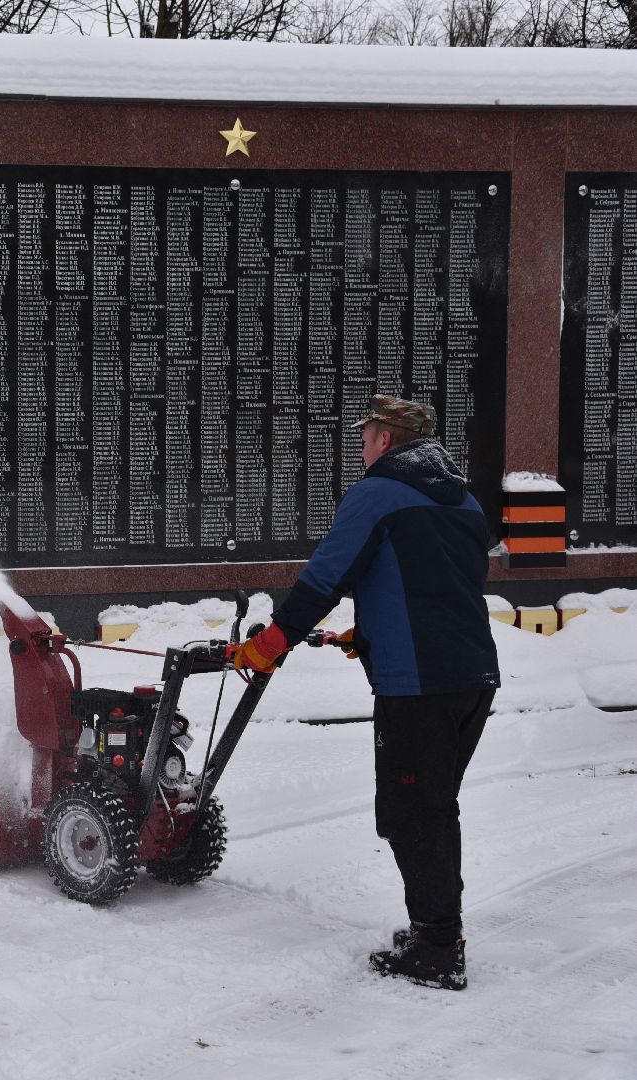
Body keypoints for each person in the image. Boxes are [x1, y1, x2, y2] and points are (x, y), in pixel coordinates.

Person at [233, 393, 499, 991]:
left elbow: (328, 575)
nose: (361, 445)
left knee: (414, 816)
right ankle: (437, 929)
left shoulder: (377, 493)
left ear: (385, 440)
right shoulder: (465, 502)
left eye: (367, 435)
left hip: (418, 686)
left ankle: (436, 950)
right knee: (435, 807)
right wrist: (374, 630)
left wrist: (272, 641)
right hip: (472, 677)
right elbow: (441, 584)